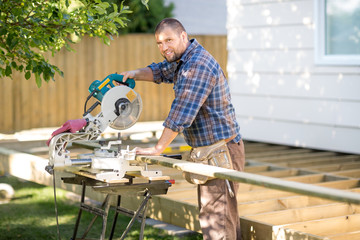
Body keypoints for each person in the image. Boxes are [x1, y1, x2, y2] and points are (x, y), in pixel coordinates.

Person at [120, 18, 245, 240]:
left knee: (218, 224)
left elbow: (182, 112)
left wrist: (157, 148)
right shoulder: (183, 60)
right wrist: (133, 74)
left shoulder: (197, 66)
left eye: (169, 40)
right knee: (219, 218)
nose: (164, 47)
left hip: (220, 152)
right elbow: (160, 71)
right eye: (159, 43)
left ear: (183, 36)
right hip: (210, 150)